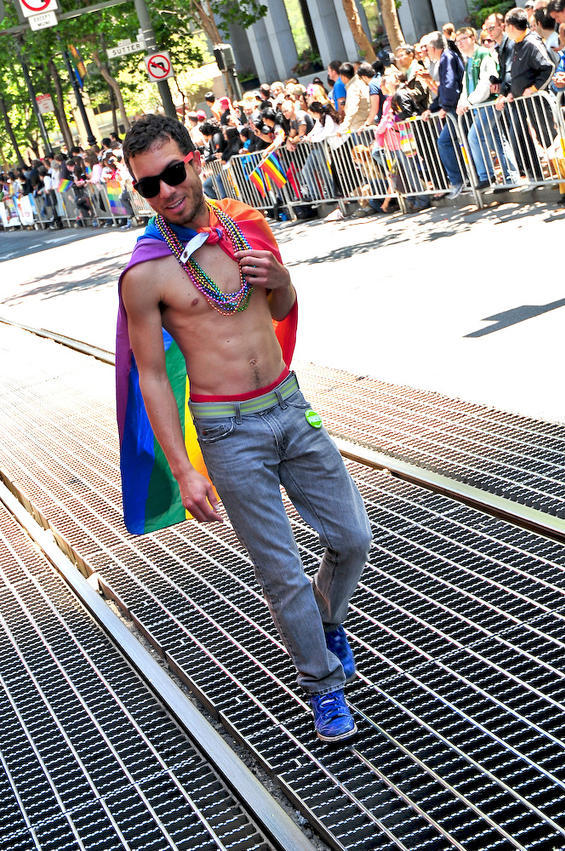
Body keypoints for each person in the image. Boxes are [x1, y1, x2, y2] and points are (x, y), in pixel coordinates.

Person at [118, 114, 371, 742]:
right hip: (227, 433)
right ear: (139, 191)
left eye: (173, 173)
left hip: (290, 405)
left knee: (353, 537)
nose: (167, 191)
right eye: (150, 186)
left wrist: (283, 281)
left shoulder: (246, 229)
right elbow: (150, 376)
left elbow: (281, 308)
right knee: (279, 570)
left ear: (195, 161)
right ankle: (324, 682)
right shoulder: (146, 274)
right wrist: (182, 467)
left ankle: (324, 617)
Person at [455, 27, 518, 189]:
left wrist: (469, 102)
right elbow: (465, 85)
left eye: (463, 38)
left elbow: (487, 82)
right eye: (457, 40)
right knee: (497, 140)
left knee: (474, 137)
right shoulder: (469, 59)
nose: (459, 43)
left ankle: (487, 176)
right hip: (479, 105)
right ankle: (511, 177)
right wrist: (463, 102)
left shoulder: (483, 54)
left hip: (488, 103)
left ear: (472, 38)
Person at [498, 7, 555, 181]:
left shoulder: (531, 43)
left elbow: (548, 67)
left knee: (550, 139)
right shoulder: (517, 44)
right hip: (521, 102)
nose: (505, 30)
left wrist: (534, 89)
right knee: (530, 139)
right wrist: (511, 93)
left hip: (537, 101)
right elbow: (518, 75)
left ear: (511, 27)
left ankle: (562, 178)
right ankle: (551, 180)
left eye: (505, 26)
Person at [421, 31, 465, 198]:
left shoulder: (446, 57)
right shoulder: (447, 57)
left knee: (444, 142)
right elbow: (443, 89)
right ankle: (463, 178)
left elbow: (449, 84)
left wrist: (445, 107)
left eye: (427, 48)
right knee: (454, 142)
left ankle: (458, 180)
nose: (426, 51)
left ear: (433, 48)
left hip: (455, 107)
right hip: (453, 106)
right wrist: (432, 108)